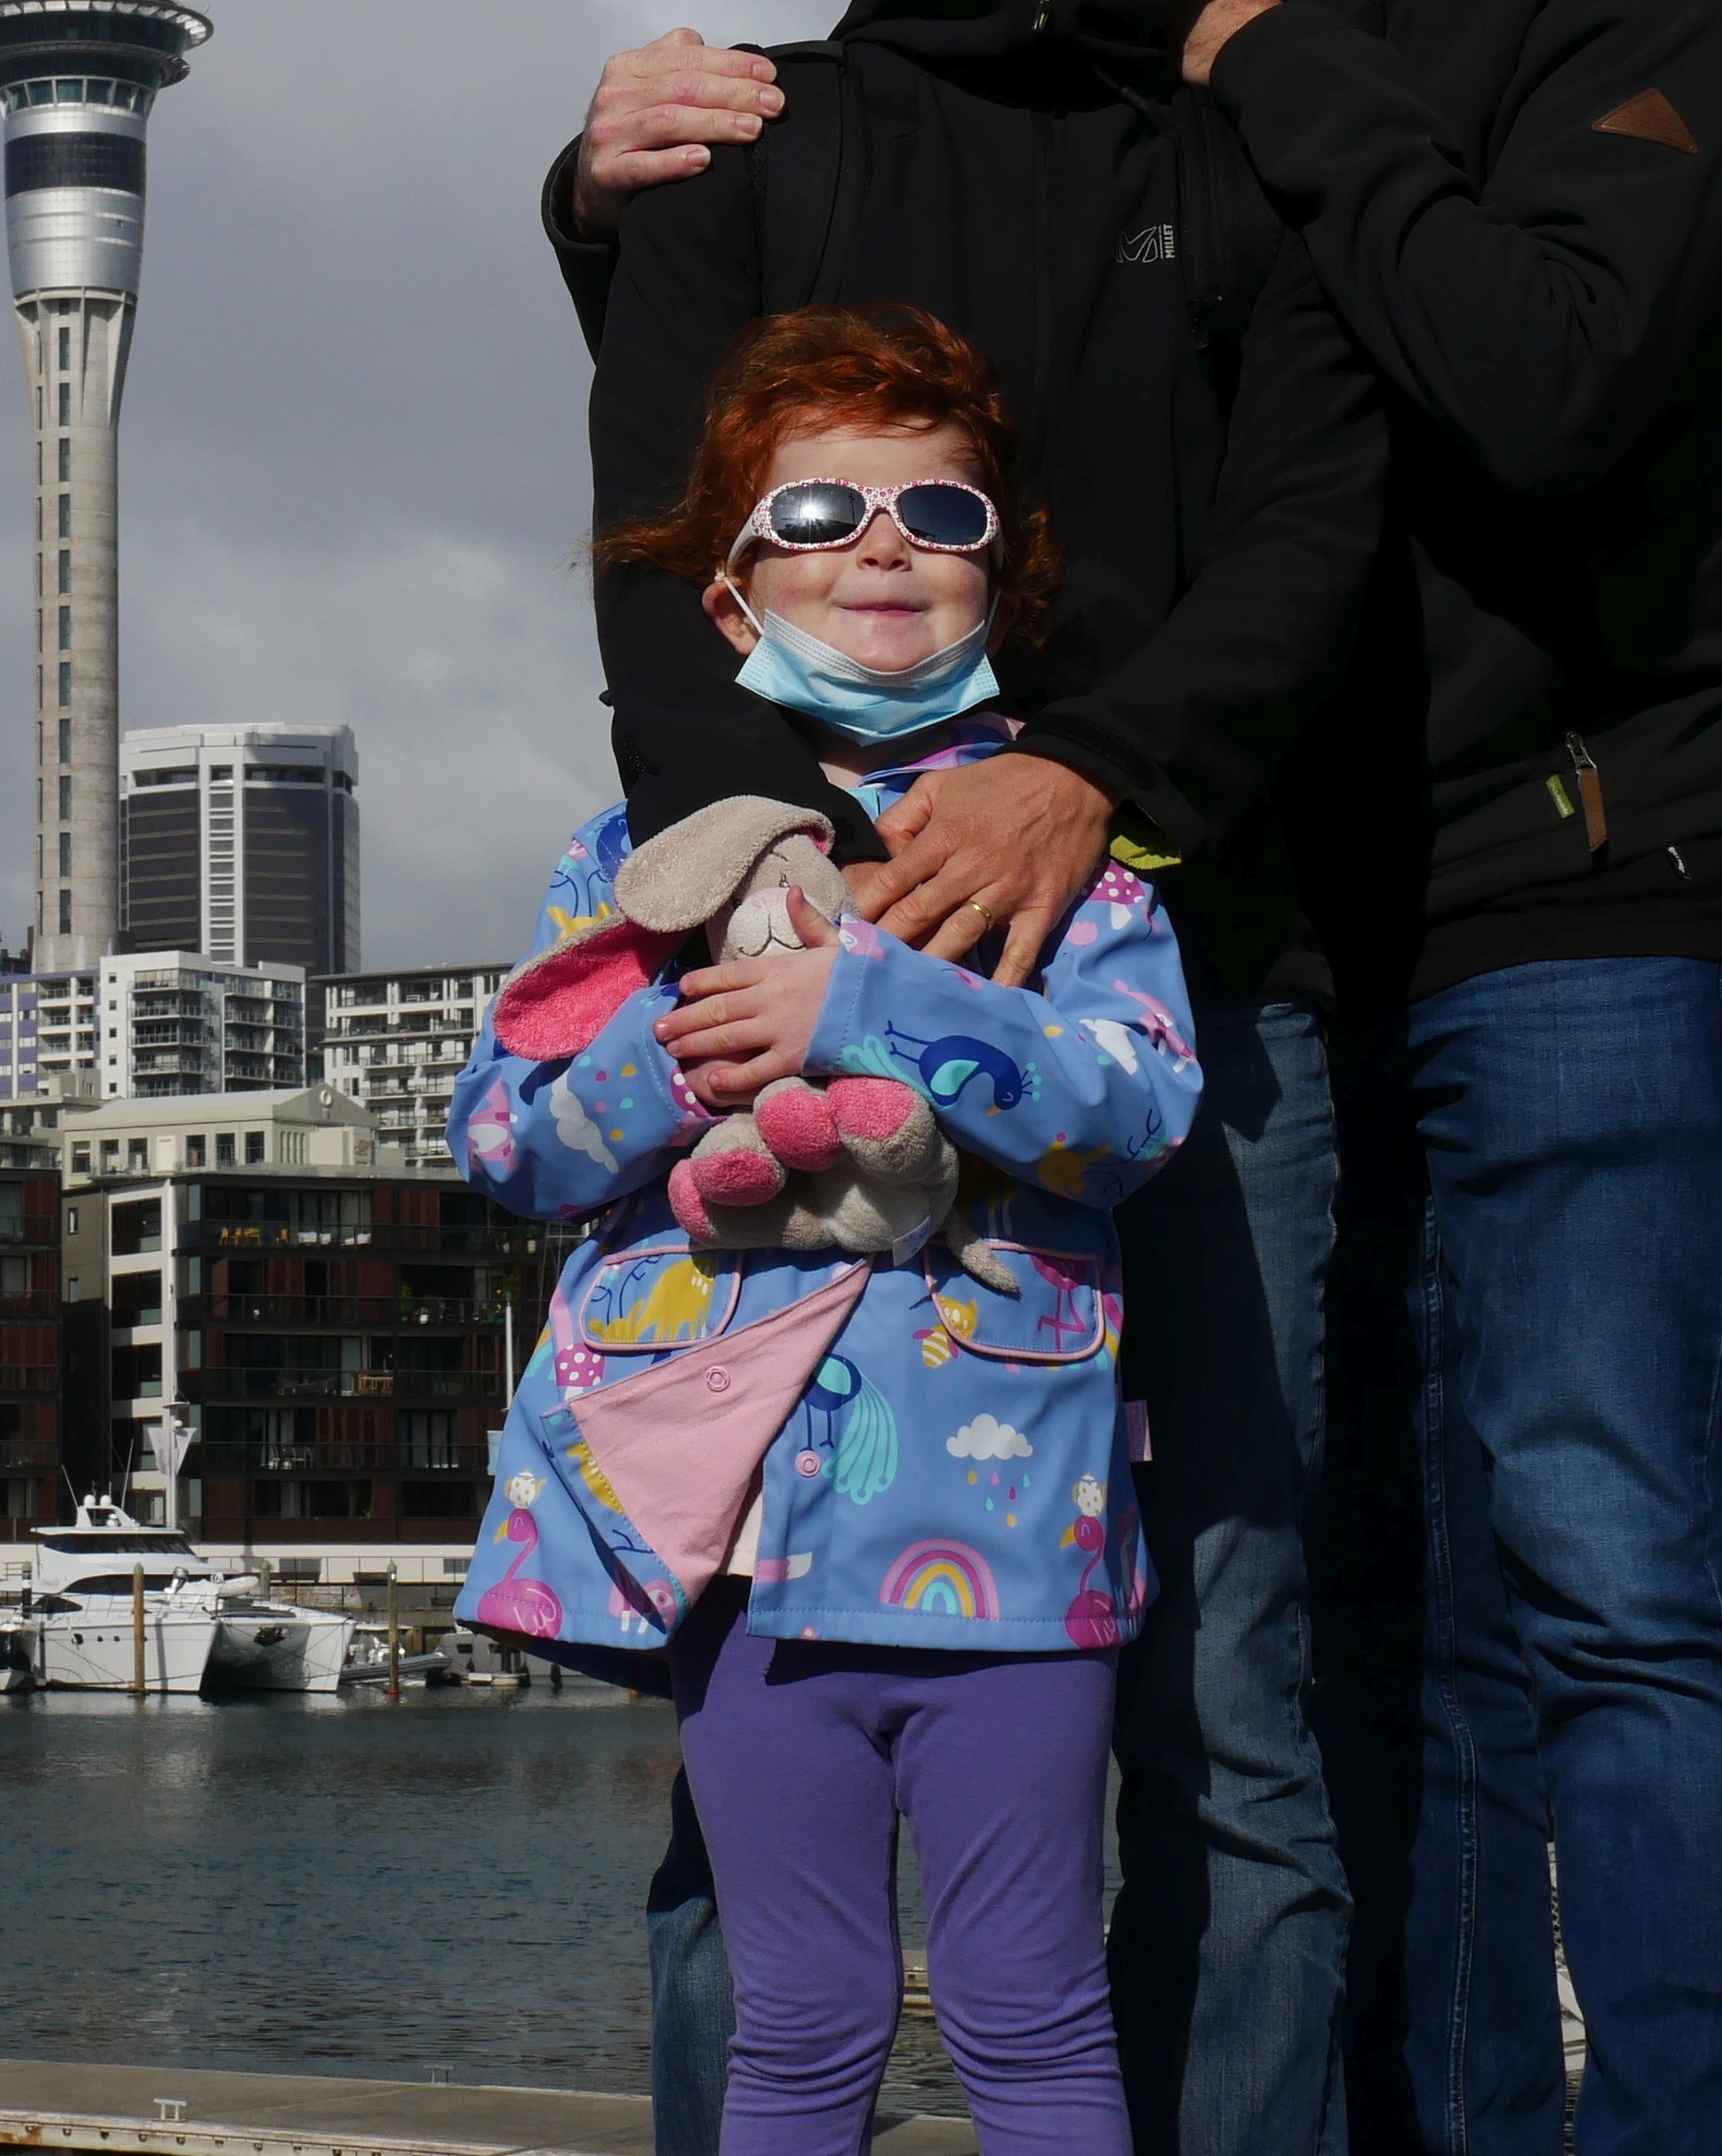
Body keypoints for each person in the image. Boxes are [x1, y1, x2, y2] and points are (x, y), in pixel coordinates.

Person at [552, 0, 1382, 2156]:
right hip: (785, 974)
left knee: (1230, 1693)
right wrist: (796, 894)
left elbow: (1316, 530)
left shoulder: (1262, 150)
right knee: (756, 1678)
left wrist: (1082, 772)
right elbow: (665, 552)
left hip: (1194, 989)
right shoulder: (753, 138)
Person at [1106, 0, 1722, 2154]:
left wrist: (1281, 69)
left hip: (1593, 869)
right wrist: (614, 191)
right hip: (1280, 917)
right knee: (1362, 1611)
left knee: (1621, 1581)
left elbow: (1545, 378)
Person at [450, 302, 1203, 2156]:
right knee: (798, 2015)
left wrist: (865, 1003)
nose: (879, 543)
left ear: (1000, 582)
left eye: (938, 512)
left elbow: (1134, 1109)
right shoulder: (628, 855)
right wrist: (682, 1051)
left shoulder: (1068, 853)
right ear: (729, 600)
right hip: (738, 1557)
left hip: (1017, 1547)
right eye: (816, 511)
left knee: (1034, 2008)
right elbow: (507, 1141)